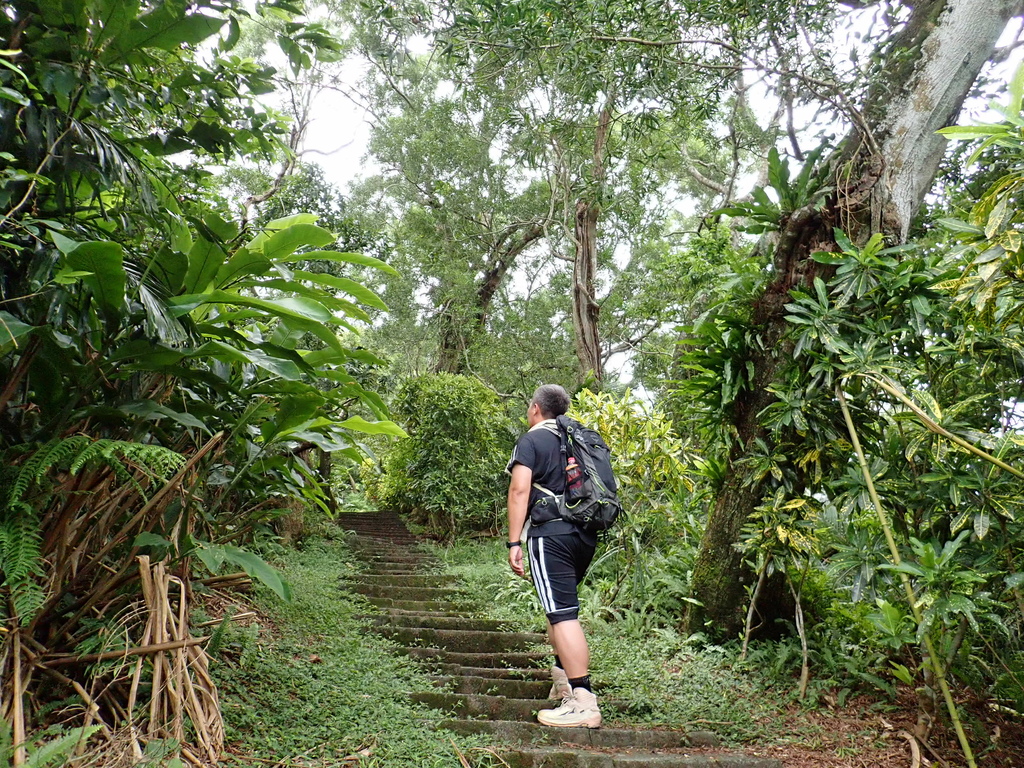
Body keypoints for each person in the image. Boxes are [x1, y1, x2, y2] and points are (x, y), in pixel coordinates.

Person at [506, 384, 601, 728]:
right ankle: (563, 681)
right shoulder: (579, 437)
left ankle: (583, 701)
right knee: (558, 607)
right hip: (585, 534)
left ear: (535, 408)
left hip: (551, 534)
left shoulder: (532, 440)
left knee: (562, 614)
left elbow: (519, 490)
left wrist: (513, 542)